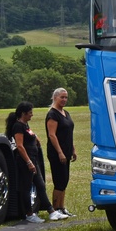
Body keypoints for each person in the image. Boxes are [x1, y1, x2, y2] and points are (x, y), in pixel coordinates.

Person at [5, 102, 68, 223]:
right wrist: (29, 162)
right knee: (26, 187)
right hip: (25, 161)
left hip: (33, 158)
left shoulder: (25, 125)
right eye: (30, 113)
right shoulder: (18, 126)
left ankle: (52, 212)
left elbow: (29, 134)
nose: (32, 115)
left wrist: (36, 138)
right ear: (23, 113)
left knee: (40, 185)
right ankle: (29, 214)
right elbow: (20, 146)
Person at [46, 88, 77, 217]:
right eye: (62, 97)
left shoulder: (66, 113)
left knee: (65, 180)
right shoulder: (52, 114)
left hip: (67, 151)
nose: (64, 100)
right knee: (59, 180)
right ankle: (55, 208)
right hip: (57, 152)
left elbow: (68, 133)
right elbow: (52, 135)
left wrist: (73, 149)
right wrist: (59, 152)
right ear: (55, 98)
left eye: (66, 97)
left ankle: (62, 207)